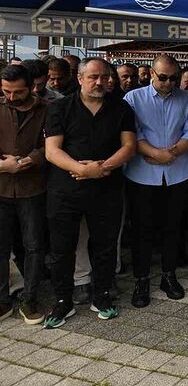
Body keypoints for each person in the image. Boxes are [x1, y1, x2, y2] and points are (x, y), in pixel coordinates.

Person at [43, 59, 137, 328]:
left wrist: (102, 167)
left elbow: (129, 146)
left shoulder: (120, 108)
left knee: (105, 246)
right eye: (93, 77)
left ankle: (102, 295)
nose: (99, 82)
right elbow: (52, 150)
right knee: (62, 248)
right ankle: (63, 300)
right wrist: (81, 170)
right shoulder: (60, 107)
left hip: (106, 188)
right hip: (65, 190)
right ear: (81, 78)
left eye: (104, 77)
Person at [123, 55, 188, 308]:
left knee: (172, 228)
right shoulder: (133, 98)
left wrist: (174, 152)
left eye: (174, 78)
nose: (169, 83)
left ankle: (169, 275)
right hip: (143, 174)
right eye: (163, 77)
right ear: (152, 74)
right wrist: (156, 154)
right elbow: (133, 132)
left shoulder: (187, 99)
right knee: (142, 230)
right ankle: (141, 279)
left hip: (178, 173)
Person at [0, 64, 48, 325]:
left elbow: (51, 143)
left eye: (18, 92)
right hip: (1, 186)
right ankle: (2, 299)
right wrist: (4, 165)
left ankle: (30, 298)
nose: (11, 97)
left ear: (32, 88)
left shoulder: (48, 109)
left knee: (34, 246)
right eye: (6, 91)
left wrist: (32, 159)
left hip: (33, 187)